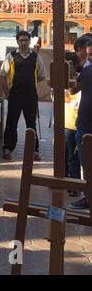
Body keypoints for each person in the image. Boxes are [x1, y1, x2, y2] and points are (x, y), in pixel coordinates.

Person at [0, 30, 46, 161]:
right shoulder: (11, 56)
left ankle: (34, 151)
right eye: (21, 40)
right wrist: (7, 93)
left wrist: (31, 82)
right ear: (17, 41)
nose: (24, 42)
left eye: (26, 40)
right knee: (11, 123)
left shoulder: (36, 57)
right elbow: (2, 75)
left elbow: (42, 75)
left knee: (31, 124)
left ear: (29, 41)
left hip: (31, 96)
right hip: (14, 95)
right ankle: (7, 148)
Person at [68, 40, 92, 210]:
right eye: (89, 54)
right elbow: (72, 90)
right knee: (86, 166)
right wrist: (69, 72)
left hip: (84, 126)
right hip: (83, 125)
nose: (90, 57)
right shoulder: (88, 70)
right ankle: (88, 198)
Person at [64, 52, 82, 198]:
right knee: (62, 154)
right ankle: (62, 180)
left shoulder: (79, 80)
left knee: (73, 157)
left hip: (74, 124)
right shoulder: (61, 80)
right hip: (63, 123)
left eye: (69, 65)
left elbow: (72, 96)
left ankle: (74, 185)